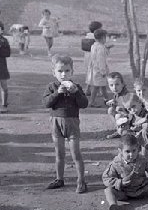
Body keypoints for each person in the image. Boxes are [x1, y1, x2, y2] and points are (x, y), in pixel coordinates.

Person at [42, 55, 89, 193]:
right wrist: (57, 93)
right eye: (60, 71)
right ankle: (59, 178)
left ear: (72, 72)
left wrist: (75, 93)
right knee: (59, 154)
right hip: (56, 123)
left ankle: (81, 180)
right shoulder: (52, 87)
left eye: (67, 71)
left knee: (76, 154)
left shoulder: (76, 87)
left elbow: (84, 104)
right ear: (54, 73)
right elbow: (46, 103)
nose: (64, 74)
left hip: (72, 123)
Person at [87, 29, 110, 108]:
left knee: (103, 86)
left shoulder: (94, 46)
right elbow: (101, 60)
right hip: (99, 70)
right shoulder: (100, 48)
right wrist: (103, 71)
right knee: (97, 86)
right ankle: (92, 101)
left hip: (95, 69)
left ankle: (107, 100)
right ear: (102, 38)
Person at [105, 72, 129, 139]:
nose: (114, 88)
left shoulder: (126, 95)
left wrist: (118, 106)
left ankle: (125, 131)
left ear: (123, 84)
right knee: (110, 110)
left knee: (118, 114)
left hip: (131, 117)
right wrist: (113, 102)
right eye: (111, 85)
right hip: (123, 116)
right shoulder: (117, 93)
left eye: (117, 84)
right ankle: (119, 130)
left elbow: (129, 110)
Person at [83, 21, 103, 89]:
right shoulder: (96, 37)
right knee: (97, 73)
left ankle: (88, 88)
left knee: (90, 73)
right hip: (94, 57)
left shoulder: (87, 36)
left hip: (87, 56)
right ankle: (97, 89)